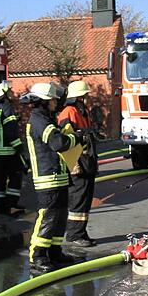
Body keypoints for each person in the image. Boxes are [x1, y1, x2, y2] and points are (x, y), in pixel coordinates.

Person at [22, 82, 79, 273]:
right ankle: (37, 257)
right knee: (47, 217)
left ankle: (54, 252)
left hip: (58, 176)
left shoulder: (46, 118)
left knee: (60, 216)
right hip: (48, 178)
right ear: (45, 101)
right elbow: (58, 143)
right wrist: (77, 138)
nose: (56, 102)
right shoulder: (39, 121)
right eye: (53, 99)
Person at [58, 80, 98, 247]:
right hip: (77, 163)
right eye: (85, 96)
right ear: (79, 97)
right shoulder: (69, 112)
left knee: (85, 199)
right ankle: (74, 235)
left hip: (86, 161)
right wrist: (74, 165)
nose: (87, 98)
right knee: (78, 199)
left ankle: (81, 232)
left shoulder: (81, 111)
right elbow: (66, 142)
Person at [0, 81, 25, 217]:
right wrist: (19, 147)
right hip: (8, 150)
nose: (12, 92)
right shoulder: (7, 107)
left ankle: (0, 205)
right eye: (9, 90)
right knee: (16, 175)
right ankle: (11, 203)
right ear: (4, 93)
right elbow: (10, 131)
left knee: (0, 178)